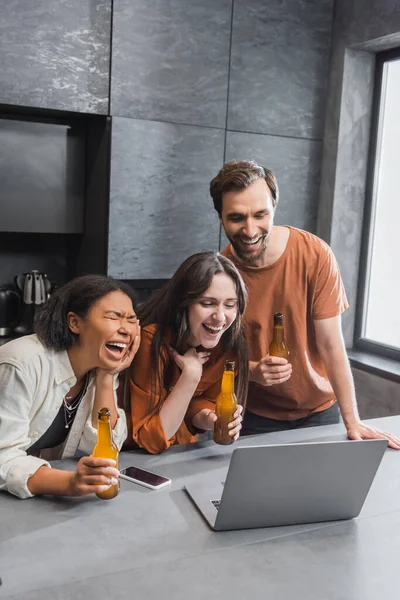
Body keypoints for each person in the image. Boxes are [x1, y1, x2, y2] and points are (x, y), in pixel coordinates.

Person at [209, 160, 400, 449]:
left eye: (261, 215)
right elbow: (214, 356)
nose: (250, 230)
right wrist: (252, 371)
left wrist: (353, 421)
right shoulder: (221, 273)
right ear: (220, 217)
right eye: (237, 218)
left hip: (320, 411)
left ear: (274, 207)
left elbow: (331, 344)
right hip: (255, 415)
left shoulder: (315, 254)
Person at [0, 275, 141, 499]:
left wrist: (106, 378)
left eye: (132, 319)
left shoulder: (98, 367)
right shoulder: (21, 363)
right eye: (114, 317)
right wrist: (69, 483)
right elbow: (3, 458)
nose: (126, 329)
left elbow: (102, 451)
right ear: (75, 322)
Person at [124, 252, 248, 453]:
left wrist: (207, 418)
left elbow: (199, 404)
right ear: (184, 303)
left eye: (230, 305)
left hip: (181, 454)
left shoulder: (229, 344)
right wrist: (190, 376)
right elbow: (151, 439)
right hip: (131, 458)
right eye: (207, 303)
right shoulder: (150, 340)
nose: (220, 317)